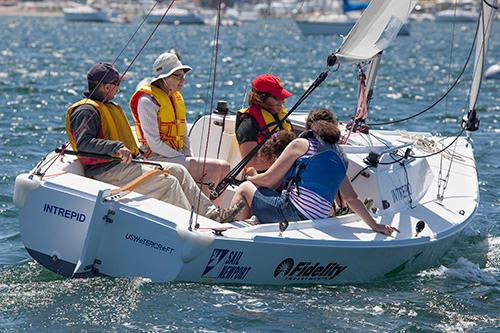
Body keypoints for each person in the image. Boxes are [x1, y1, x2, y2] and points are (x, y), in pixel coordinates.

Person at [66, 62, 242, 222]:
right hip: (106, 171)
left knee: (178, 171)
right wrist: (116, 147)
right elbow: (83, 144)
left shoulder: (106, 106)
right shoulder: (85, 110)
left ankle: (212, 214)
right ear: (106, 87)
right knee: (168, 183)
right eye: (116, 85)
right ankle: (194, 224)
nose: (118, 89)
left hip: (124, 165)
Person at [230, 108, 400, 236]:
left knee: (245, 188)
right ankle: (254, 222)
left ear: (309, 126)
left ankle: (233, 232)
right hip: (317, 221)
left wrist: (251, 176)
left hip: (291, 215)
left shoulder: (302, 144)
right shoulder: (341, 156)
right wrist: (375, 226)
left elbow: (267, 180)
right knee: (266, 194)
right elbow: (351, 198)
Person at [129, 52, 230, 198]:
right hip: (155, 158)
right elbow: (154, 144)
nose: (182, 81)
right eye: (177, 76)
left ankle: (209, 213)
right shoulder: (147, 101)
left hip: (174, 156)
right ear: (164, 78)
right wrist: (183, 159)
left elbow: (183, 134)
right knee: (215, 168)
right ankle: (206, 214)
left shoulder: (175, 98)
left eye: (183, 76)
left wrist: (188, 157)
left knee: (224, 167)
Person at [235, 74, 294, 171]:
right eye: (276, 97)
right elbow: (251, 164)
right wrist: (289, 161)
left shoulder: (282, 118)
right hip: (262, 178)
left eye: (282, 96)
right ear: (260, 98)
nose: (282, 101)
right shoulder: (249, 123)